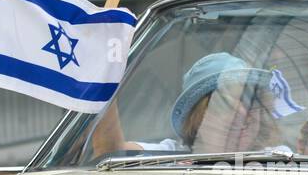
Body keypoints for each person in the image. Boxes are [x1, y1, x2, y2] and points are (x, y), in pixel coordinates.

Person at [104, 53, 289, 156]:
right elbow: (109, 152)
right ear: (197, 118)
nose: (242, 113)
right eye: (224, 105)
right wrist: (101, 77)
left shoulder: (277, 159)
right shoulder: (168, 157)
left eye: (250, 103)